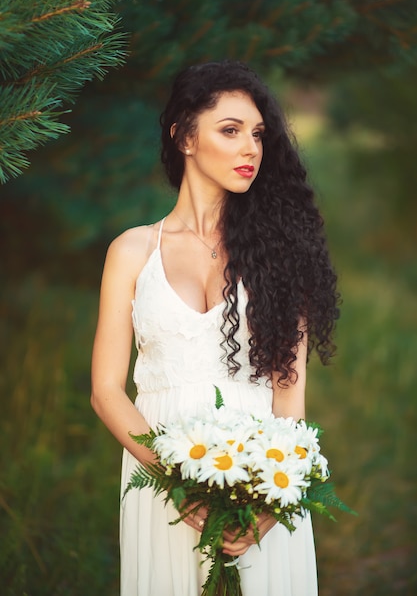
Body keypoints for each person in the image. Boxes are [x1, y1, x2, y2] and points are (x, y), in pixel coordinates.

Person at [91, 60, 339, 596]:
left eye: (257, 134)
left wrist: (275, 505)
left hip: (259, 486)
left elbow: (289, 403)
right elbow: (106, 390)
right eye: (230, 131)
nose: (250, 147)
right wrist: (177, 482)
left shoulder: (281, 255)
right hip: (159, 486)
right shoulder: (133, 250)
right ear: (184, 135)